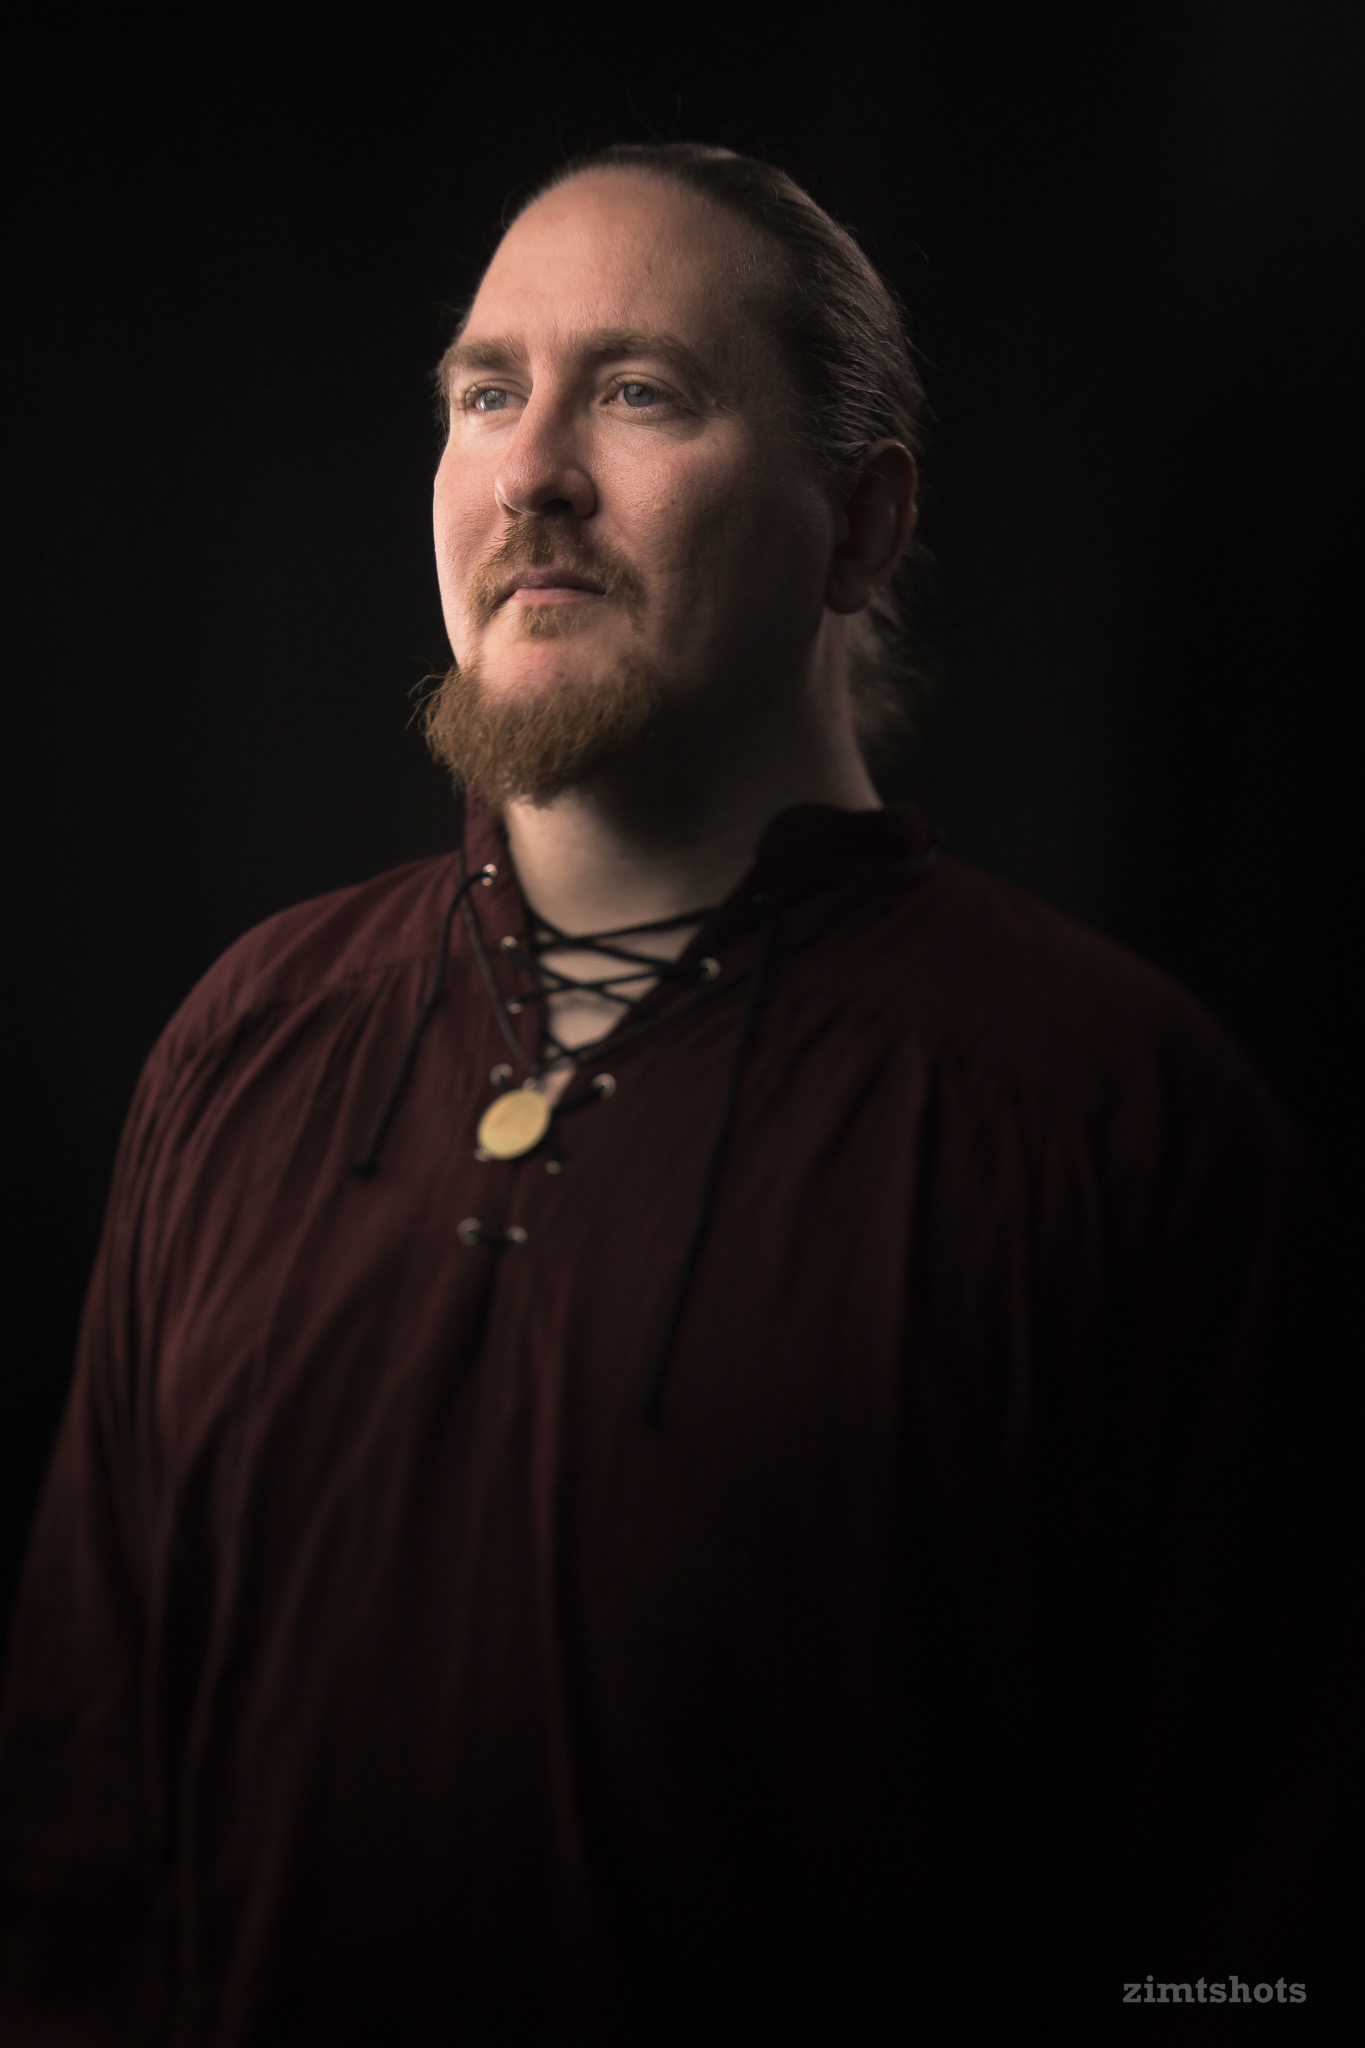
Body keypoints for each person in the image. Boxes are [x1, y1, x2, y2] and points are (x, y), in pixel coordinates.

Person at [0, 143, 1355, 2045]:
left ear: (860, 527)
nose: (530, 472)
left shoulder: (1113, 1128)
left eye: (638, 392)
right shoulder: (247, 1042)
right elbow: (76, 1843)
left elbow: (1257, 1928)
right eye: (487, 393)